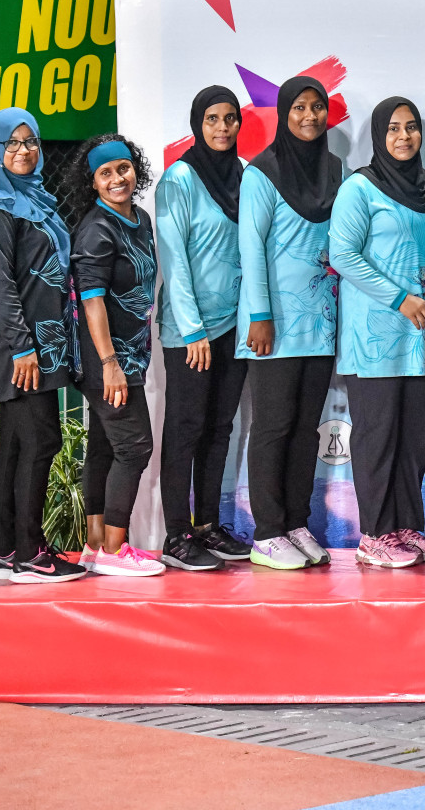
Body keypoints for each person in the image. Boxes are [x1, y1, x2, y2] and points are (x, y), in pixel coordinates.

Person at [330, 97, 425, 569]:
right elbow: (343, 254)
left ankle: (406, 528)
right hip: (376, 336)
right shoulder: (360, 188)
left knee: (414, 437)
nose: (404, 136)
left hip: (422, 336)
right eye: (394, 128)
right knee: (378, 437)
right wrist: (400, 298)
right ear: (379, 135)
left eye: (412, 127)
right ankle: (375, 534)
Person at [0, 108, 84, 583]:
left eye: (30, 142)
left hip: (45, 340)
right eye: (11, 144)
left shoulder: (33, 199)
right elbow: (0, 287)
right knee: (42, 439)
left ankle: (4, 551)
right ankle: (30, 553)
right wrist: (21, 347)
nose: (23, 151)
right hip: (21, 342)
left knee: (18, 444)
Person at [238, 77, 341, 570]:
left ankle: (296, 523)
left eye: (317, 107)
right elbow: (251, 250)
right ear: (284, 113)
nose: (309, 116)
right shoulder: (261, 174)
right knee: (273, 426)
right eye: (299, 107)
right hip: (273, 325)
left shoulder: (335, 170)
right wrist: (259, 316)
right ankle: (267, 532)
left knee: (305, 429)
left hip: (319, 321)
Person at [154, 86, 252, 571]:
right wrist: (193, 331)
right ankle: (176, 534)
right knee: (186, 429)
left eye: (230, 118)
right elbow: (174, 260)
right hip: (191, 332)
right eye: (212, 118)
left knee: (219, 429)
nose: (222, 127)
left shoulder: (245, 176)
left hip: (234, 326)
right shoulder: (179, 181)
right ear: (198, 123)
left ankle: (208, 525)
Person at [69, 134, 163, 577]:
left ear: (134, 170)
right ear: (93, 183)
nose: (116, 179)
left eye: (122, 169)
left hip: (131, 356)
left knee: (106, 446)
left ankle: (95, 545)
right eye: (105, 174)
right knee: (135, 446)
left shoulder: (140, 219)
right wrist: (110, 365)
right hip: (106, 360)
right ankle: (114, 548)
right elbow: (92, 303)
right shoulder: (96, 229)